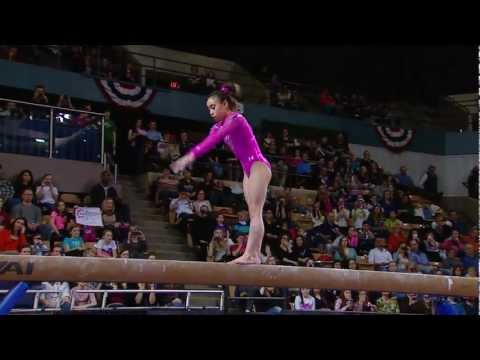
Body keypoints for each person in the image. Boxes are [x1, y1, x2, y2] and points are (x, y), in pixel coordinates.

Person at [170, 87, 271, 265]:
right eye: (208, 108)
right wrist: (191, 156)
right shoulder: (216, 126)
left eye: (213, 106)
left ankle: (252, 254)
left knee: (256, 213)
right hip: (248, 169)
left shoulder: (236, 119)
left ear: (225, 104)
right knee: (252, 212)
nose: (210, 111)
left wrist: (187, 158)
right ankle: (252, 254)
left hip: (257, 165)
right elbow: (207, 144)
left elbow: (217, 138)